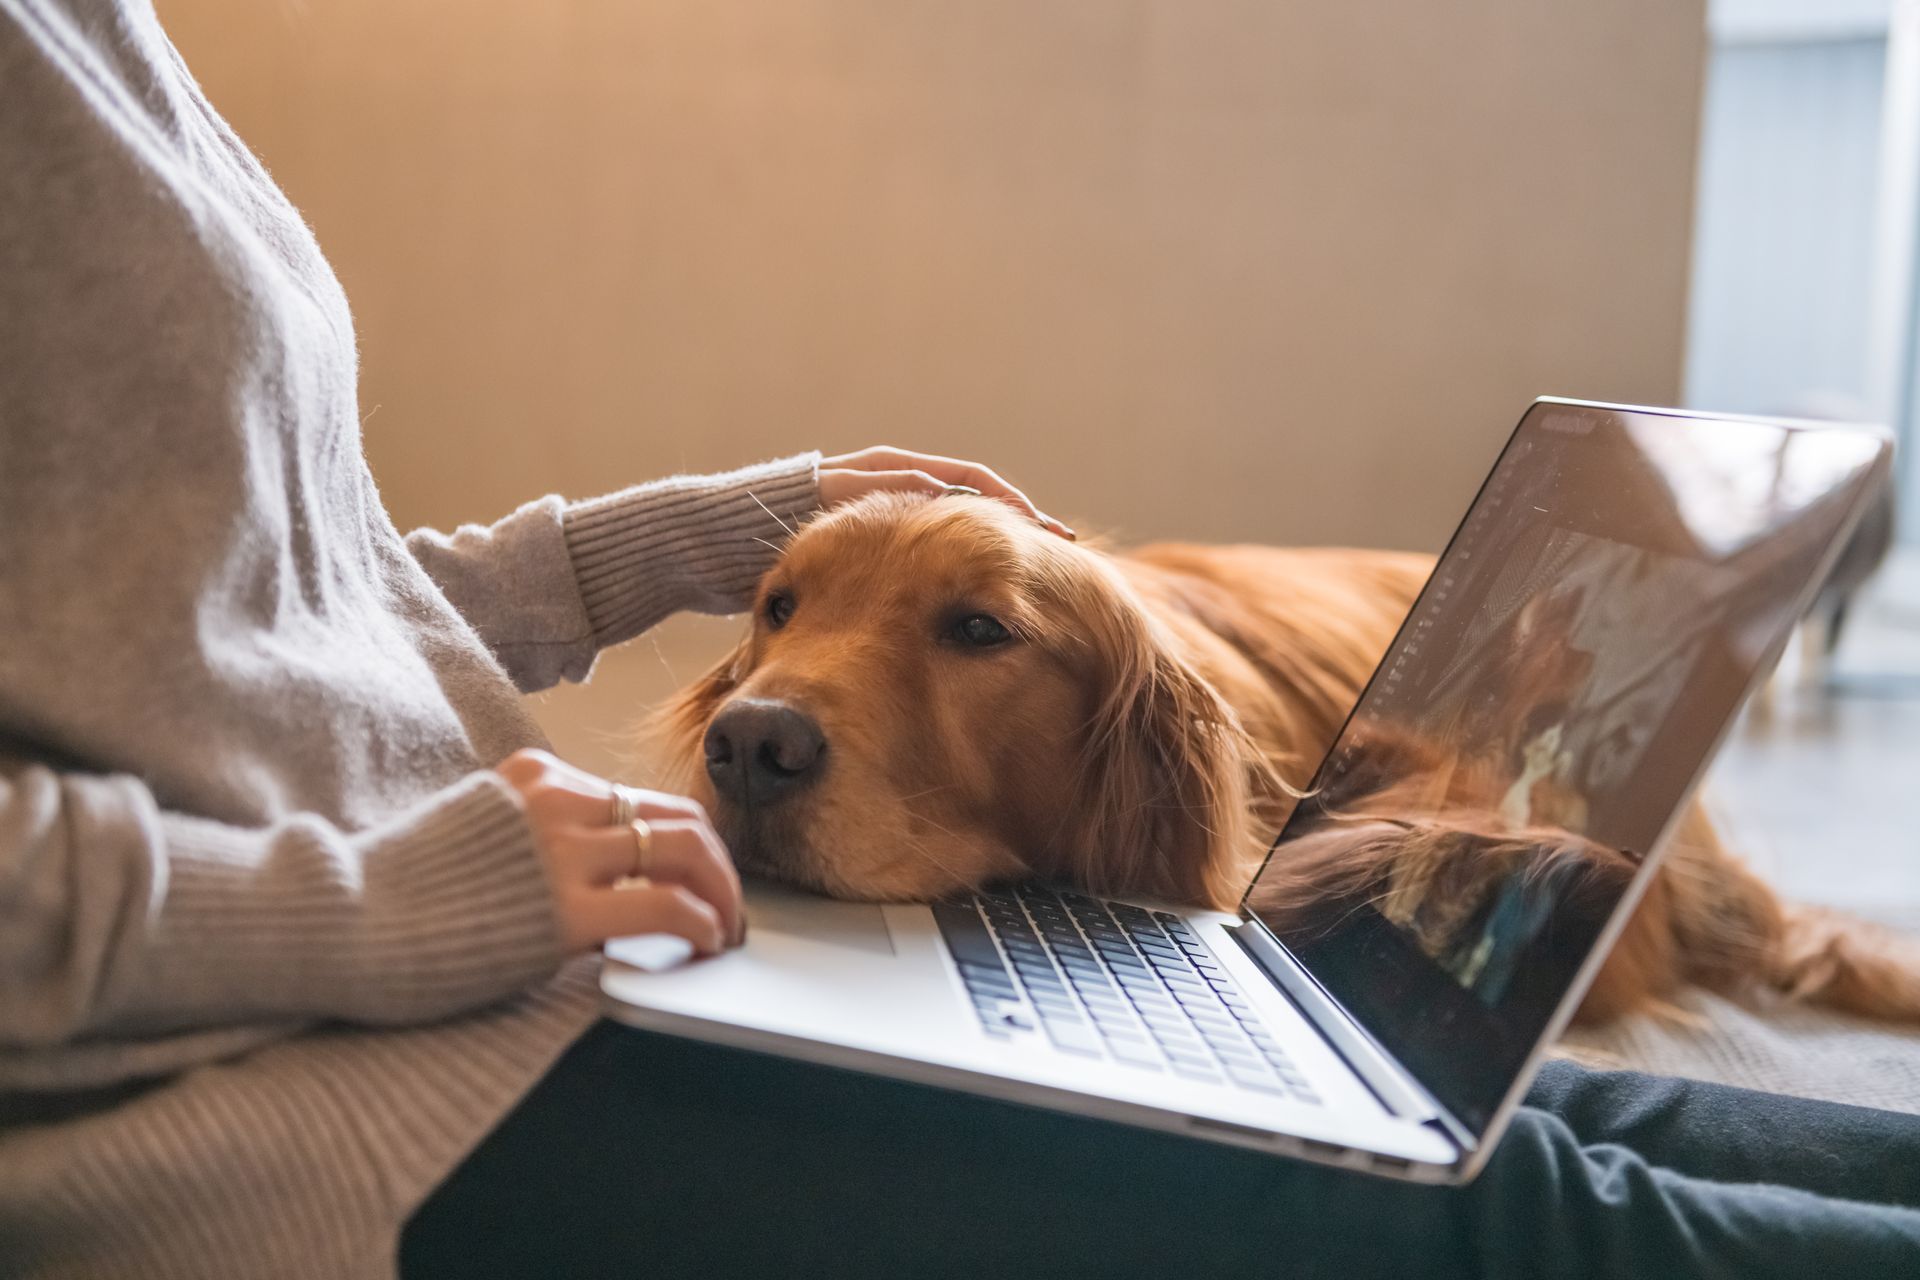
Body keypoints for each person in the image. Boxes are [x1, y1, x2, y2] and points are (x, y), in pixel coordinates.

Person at [4, 3, 1920, 1278]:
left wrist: (694, 538)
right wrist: (384, 906)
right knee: (1501, 1229)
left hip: (500, 951)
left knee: (1500, 1104)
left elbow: (239, 585)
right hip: (278, 1077)